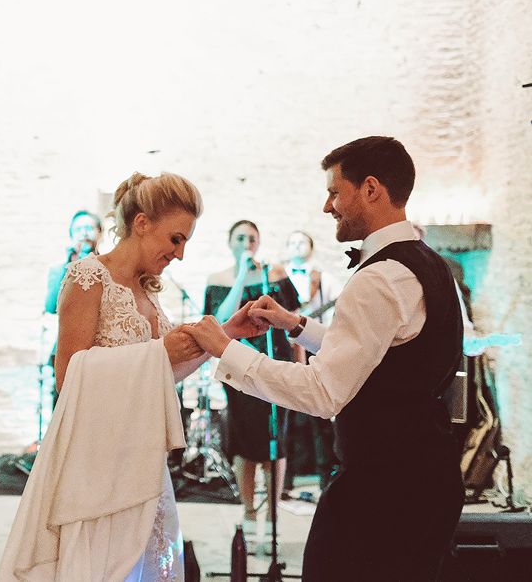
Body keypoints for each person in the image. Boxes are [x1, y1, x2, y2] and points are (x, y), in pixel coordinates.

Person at [182, 137, 464, 581]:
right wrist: (296, 326)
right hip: (427, 479)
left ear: (370, 189)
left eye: (335, 192)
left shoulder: (379, 278)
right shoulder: (426, 263)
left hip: (383, 491)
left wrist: (226, 350)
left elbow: (324, 391)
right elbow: (379, 354)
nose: (326, 206)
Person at [0, 173, 268, 581]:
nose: (179, 254)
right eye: (175, 239)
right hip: (95, 455)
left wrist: (225, 332)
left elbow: (165, 372)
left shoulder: (148, 290)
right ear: (141, 223)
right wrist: (158, 352)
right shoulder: (88, 277)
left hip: (141, 452)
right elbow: (68, 374)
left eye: (185, 243)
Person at [204, 220, 299, 545]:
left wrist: (300, 367)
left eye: (252, 238)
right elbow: (221, 322)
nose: (247, 243)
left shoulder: (277, 276)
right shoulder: (217, 280)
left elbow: (295, 324)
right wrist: (243, 276)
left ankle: (274, 515)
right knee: (246, 441)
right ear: (230, 242)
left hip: (278, 365)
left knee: (278, 438)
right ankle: (248, 512)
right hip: (240, 370)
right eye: (240, 237)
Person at [283, 230, 343, 492]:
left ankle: (324, 476)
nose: (297, 245)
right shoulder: (279, 276)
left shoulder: (323, 278)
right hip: (286, 349)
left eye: (302, 241)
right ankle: (285, 478)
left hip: (314, 347)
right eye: (292, 241)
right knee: (288, 413)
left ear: (311, 246)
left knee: (319, 414)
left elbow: (339, 306)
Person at [42, 210, 103, 409]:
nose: (84, 233)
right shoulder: (59, 269)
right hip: (66, 352)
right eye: (78, 229)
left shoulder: (108, 267)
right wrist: (68, 263)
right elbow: (51, 306)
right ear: (71, 235)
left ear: (99, 232)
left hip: (100, 353)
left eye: (89, 228)